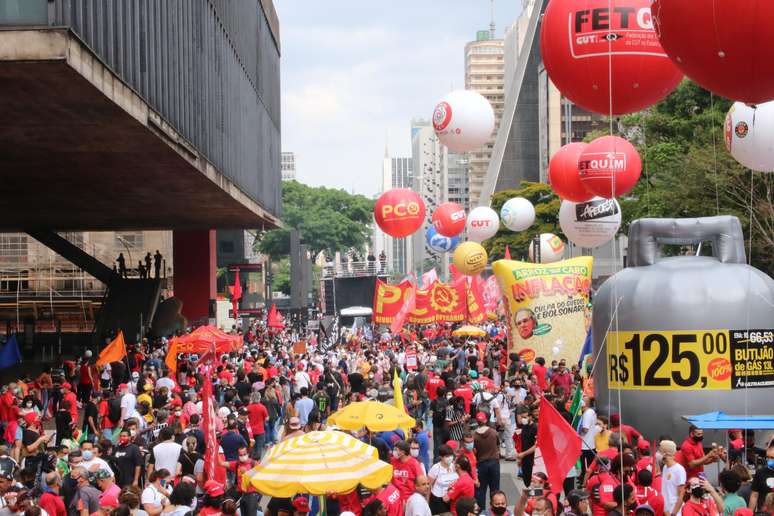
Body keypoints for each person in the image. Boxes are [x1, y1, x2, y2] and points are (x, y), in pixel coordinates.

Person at [473, 413, 500, 510]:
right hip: (494, 464)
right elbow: (498, 445)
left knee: (480, 490)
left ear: (477, 421)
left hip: (481, 464)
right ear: (486, 420)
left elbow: (474, 452)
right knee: (495, 489)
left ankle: (482, 512)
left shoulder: (474, 436)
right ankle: (496, 510)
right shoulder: (493, 432)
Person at [428, 445, 458, 514]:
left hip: (451, 499)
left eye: (451, 455)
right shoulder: (436, 468)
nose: (450, 458)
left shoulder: (454, 466)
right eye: (447, 456)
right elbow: (428, 486)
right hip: (438, 500)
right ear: (441, 457)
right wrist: (427, 501)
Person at [660, 440, 686, 516]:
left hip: (675, 512)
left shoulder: (679, 470)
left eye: (660, 451)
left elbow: (681, 494)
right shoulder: (665, 467)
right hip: (665, 510)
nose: (659, 454)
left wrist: (673, 513)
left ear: (665, 453)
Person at [749, 444, 774, 511]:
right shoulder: (760, 473)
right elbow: (754, 495)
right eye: (768, 457)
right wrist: (750, 512)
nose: (769, 460)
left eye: (772, 458)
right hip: (764, 511)